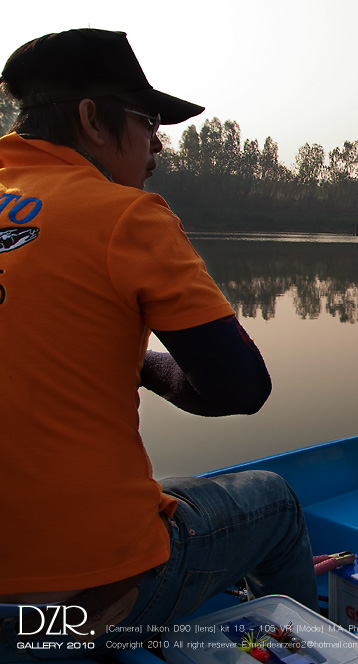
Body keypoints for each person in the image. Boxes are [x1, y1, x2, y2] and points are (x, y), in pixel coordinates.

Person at [0, 29, 316, 658]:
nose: (157, 148)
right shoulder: (123, 214)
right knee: (275, 501)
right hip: (71, 608)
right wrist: (144, 364)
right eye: (148, 123)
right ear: (93, 119)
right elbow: (239, 388)